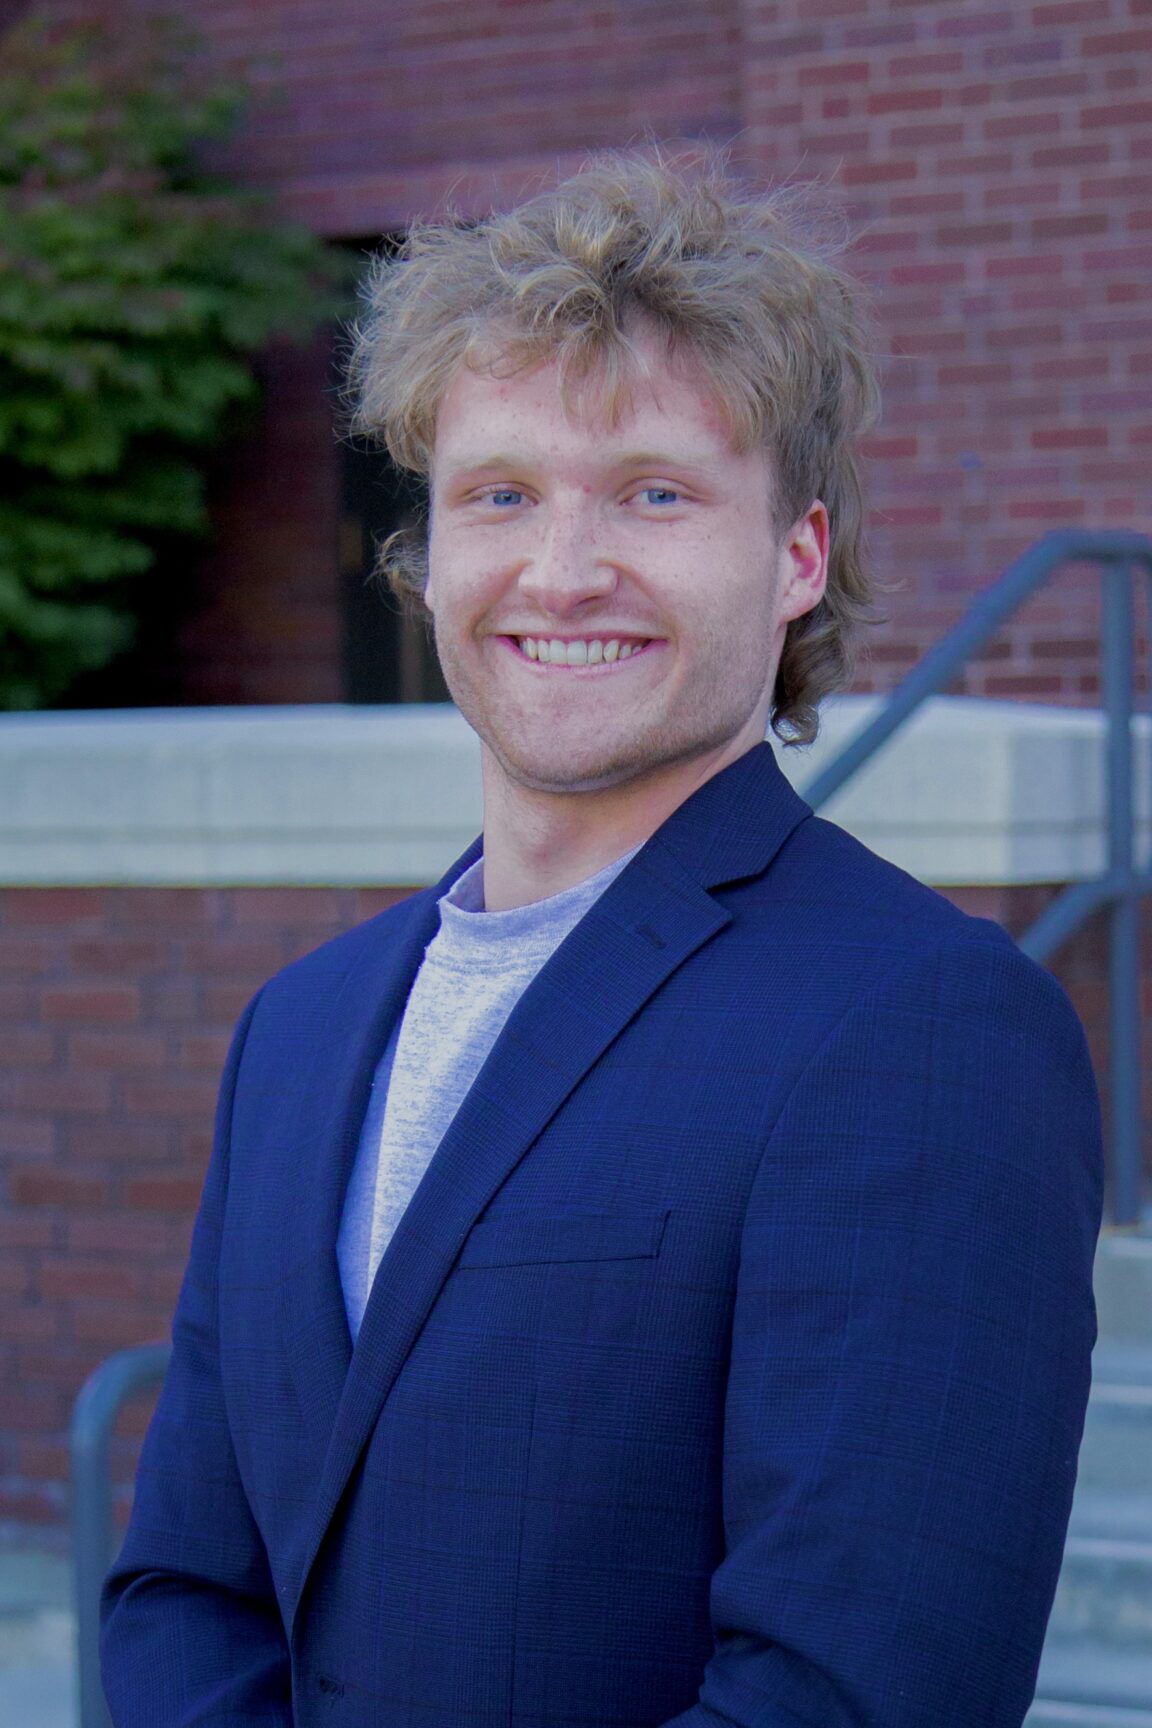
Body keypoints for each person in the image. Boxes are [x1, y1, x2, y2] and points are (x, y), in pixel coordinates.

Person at [101, 150, 1102, 1728]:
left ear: (797, 557)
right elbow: (187, 1593)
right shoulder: (299, 1029)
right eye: (500, 494)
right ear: (424, 556)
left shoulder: (921, 1026)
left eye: (654, 490)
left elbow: (852, 1692)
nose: (563, 571)